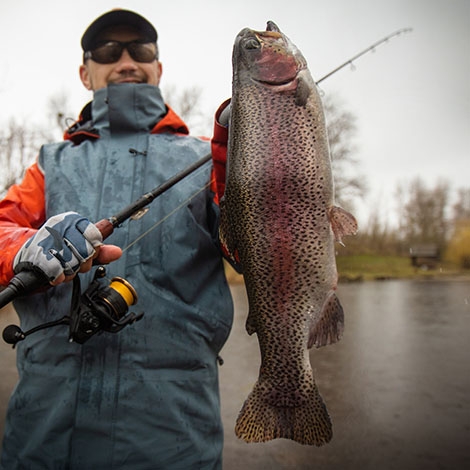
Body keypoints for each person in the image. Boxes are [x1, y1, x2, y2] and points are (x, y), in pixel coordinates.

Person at [0, 9, 234, 469]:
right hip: (40, 440)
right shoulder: (50, 162)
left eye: (139, 49)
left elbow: (257, 249)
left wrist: (254, 168)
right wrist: (23, 248)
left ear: (158, 67)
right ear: (86, 73)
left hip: (173, 444)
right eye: (109, 51)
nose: (126, 59)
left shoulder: (211, 160)